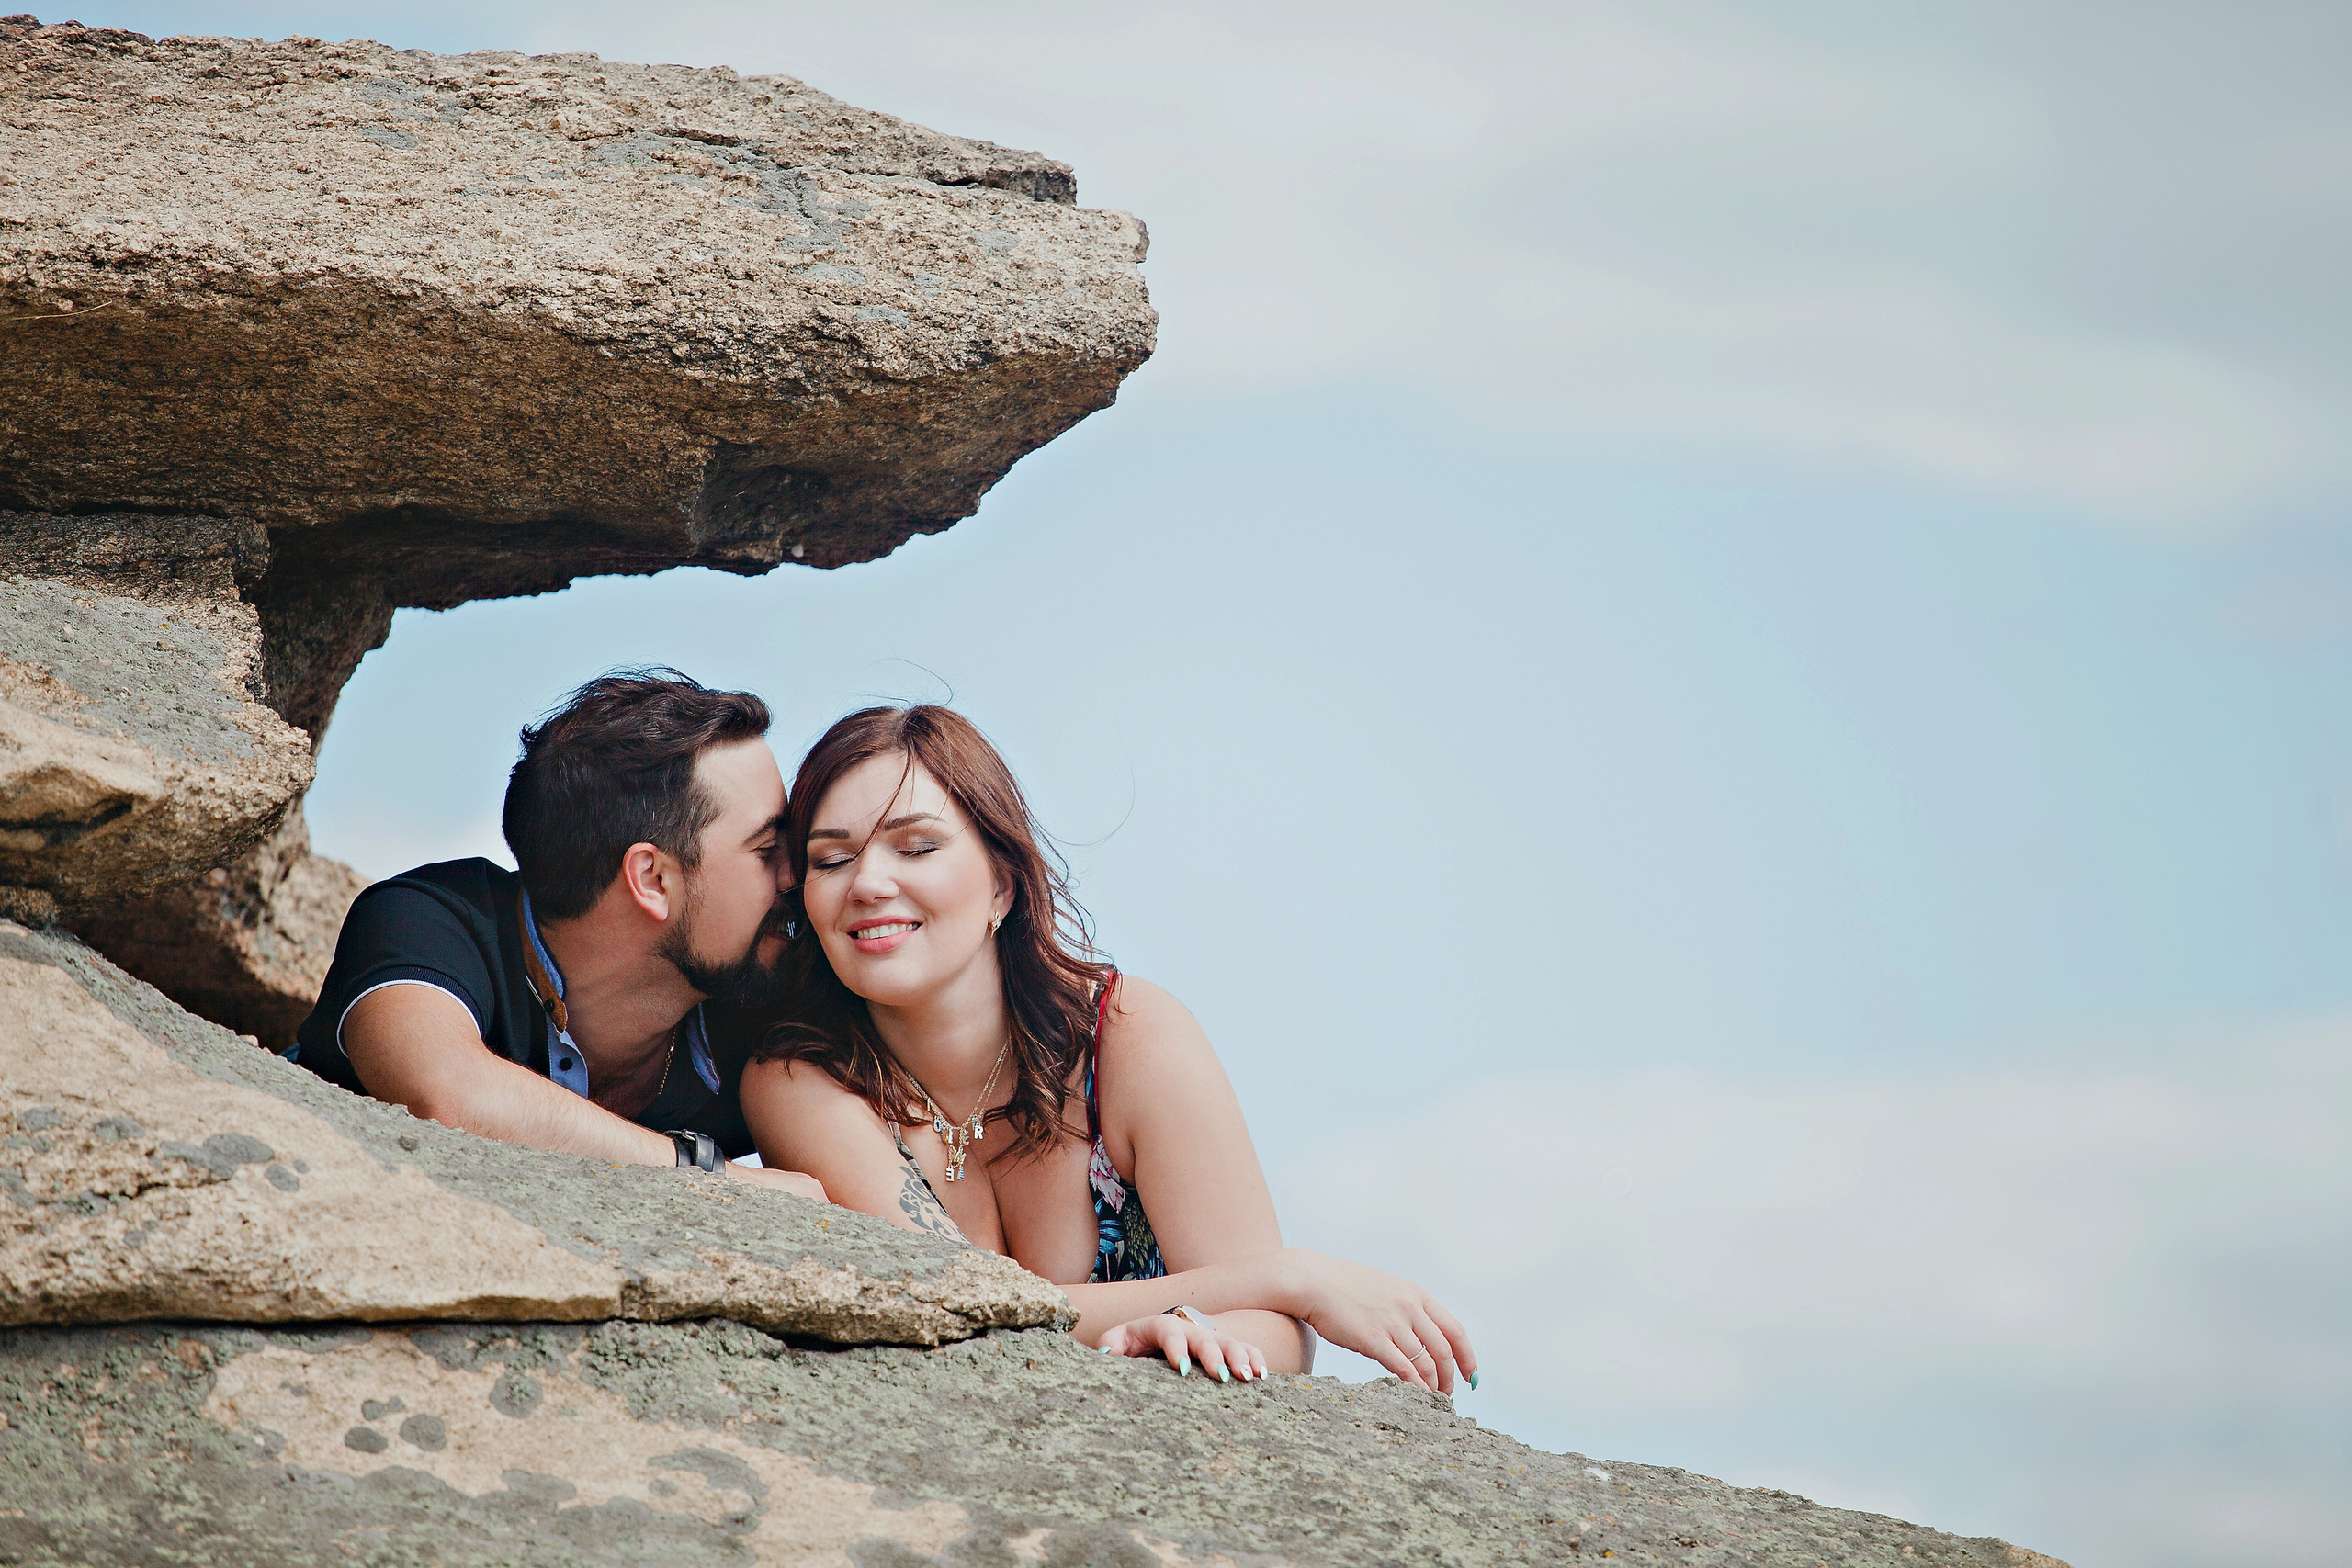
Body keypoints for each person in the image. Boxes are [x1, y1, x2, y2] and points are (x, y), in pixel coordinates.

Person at [739, 705, 1477, 1388]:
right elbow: (957, 1306)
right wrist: (1293, 1276)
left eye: (916, 846)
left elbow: (1279, 1338)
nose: (869, 882)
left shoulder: (1128, 1035)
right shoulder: (797, 1079)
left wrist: (1186, 1327)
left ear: (1002, 884)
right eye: (831, 860)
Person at [293, 670, 824, 1201]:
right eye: (766, 850)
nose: (795, 876)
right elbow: (448, 1096)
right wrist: (706, 1173)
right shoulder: (426, 920)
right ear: (653, 880)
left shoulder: (772, 988)